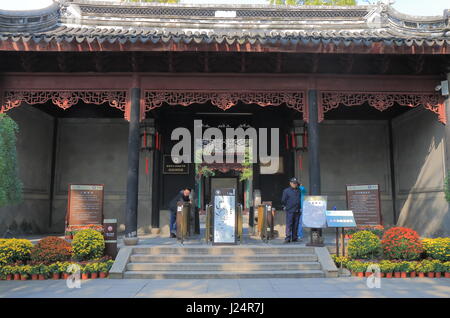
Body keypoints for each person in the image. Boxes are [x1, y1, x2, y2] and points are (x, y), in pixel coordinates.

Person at [281, 178, 301, 243]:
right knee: (289, 224)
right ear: (290, 183)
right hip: (290, 210)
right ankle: (288, 238)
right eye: (293, 183)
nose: (294, 184)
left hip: (297, 210)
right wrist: (286, 206)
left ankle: (295, 237)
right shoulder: (286, 191)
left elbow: (299, 200)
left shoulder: (298, 190)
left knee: (296, 225)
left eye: (295, 183)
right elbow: (283, 200)